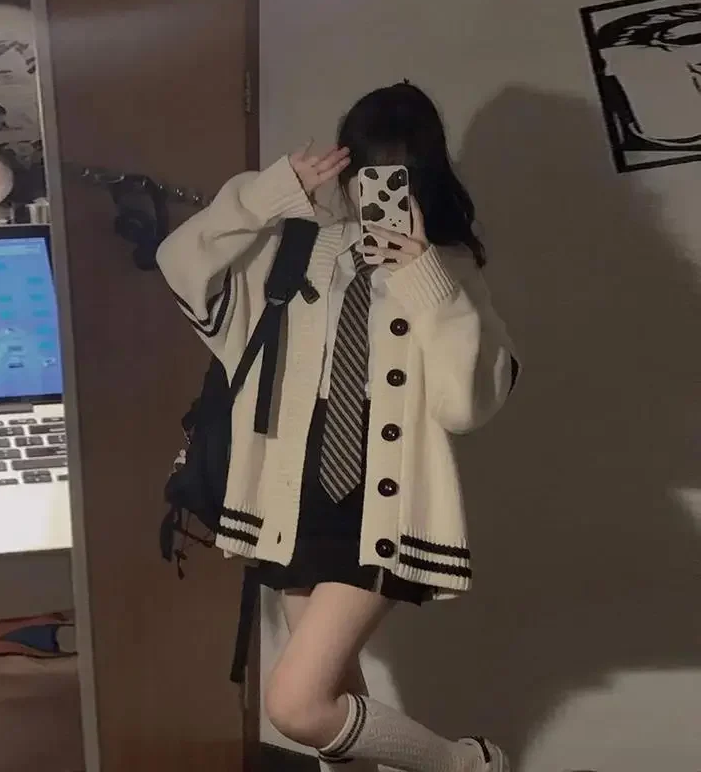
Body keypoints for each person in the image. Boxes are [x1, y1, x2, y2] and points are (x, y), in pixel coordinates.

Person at [157, 81, 519, 772]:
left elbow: (466, 407)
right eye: (367, 168)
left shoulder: (448, 269)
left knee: (297, 705)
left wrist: (427, 280)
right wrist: (269, 194)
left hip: (381, 499)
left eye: (397, 173)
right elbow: (180, 262)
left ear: (422, 178)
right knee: (336, 699)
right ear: (346, 164)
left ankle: (469, 766)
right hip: (293, 495)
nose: (376, 188)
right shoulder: (293, 246)